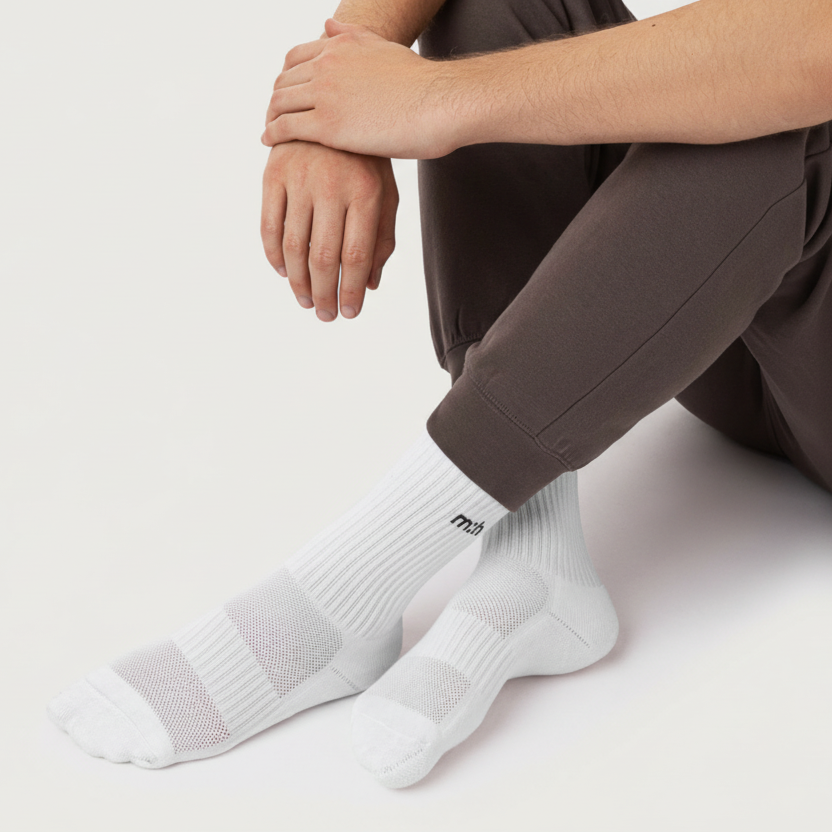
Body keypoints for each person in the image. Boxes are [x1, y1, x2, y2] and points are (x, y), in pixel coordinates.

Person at [48, 0, 832, 789]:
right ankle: (535, 556)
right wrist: (338, 93)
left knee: (780, 114)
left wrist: (428, 102)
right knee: (499, 6)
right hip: (747, 306)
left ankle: (340, 595)